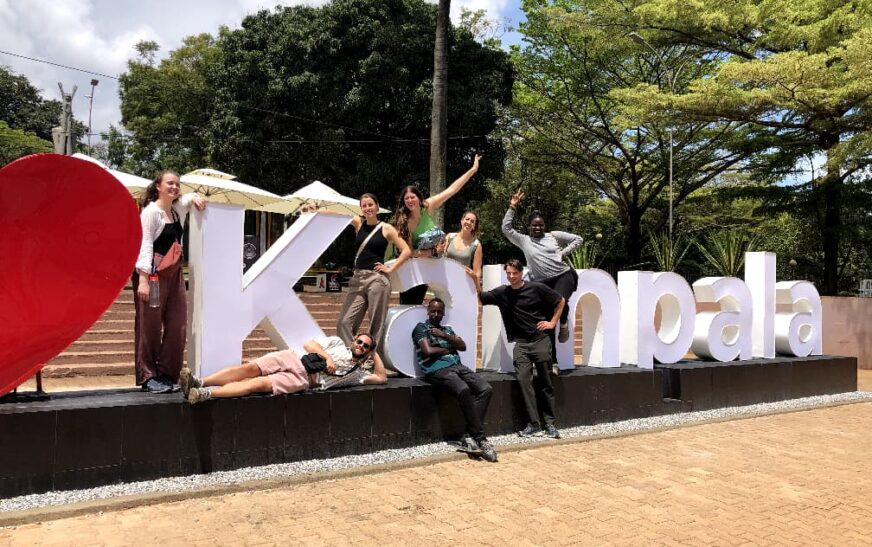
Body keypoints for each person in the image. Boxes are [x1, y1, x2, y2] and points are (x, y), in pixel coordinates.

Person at [134, 170, 206, 393]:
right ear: (158, 186)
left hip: (174, 275)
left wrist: (193, 197)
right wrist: (143, 279)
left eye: (177, 184)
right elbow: (144, 245)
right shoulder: (150, 213)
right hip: (152, 275)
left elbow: (186, 200)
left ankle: (167, 373)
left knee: (178, 324)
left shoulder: (175, 211)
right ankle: (148, 376)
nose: (174, 187)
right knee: (150, 327)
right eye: (169, 183)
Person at [479, 259, 565, 438]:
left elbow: (560, 300)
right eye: (508, 273)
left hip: (540, 340)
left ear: (521, 272)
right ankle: (534, 424)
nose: (511, 277)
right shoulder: (503, 292)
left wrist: (553, 322)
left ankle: (550, 424)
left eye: (514, 273)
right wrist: (475, 278)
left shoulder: (536, 288)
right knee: (524, 383)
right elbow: (482, 297)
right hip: (521, 344)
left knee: (546, 383)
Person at [180, 333, 387, 403]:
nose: (360, 346)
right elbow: (309, 345)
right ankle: (200, 381)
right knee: (250, 368)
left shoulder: (358, 374)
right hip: (294, 358)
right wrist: (327, 358)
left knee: (257, 384)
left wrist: (375, 353)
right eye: (359, 341)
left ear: (368, 351)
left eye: (365, 346)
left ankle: (206, 394)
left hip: (305, 381)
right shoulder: (336, 343)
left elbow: (381, 378)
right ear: (353, 341)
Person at [413, 298, 497, 462]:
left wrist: (444, 335)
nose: (436, 314)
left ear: (444, 313)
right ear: (428, 311)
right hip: (437, 369)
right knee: (463, 389)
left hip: (458, 366)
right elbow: (428, 351)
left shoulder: (447, 330)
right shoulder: (421, 328)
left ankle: (469, 435)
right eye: (433, 311)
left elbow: (463, 346)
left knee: (486, 389)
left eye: (439, 312)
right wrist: (450, 347)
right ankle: (480, 439)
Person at [393, 154, 482, 304]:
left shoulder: (428, 206)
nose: (409, 200)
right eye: (406, 198)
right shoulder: (404, 222)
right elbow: (409, 253)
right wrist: (433, 251)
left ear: (419, 198)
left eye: (412, 197)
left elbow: (452, 189)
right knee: (409, 304)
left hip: (431, 264)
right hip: (414, 268)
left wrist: (473, 169)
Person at [502, 190, 582, 344]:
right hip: (541, 282)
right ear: (530, 227)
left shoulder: (553, 236)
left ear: (544, 225)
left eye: (541, 225)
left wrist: (563, 253)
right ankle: (551, 360)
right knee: (546, 315)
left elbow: (578, 239)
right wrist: (512, 207)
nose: (538, 228)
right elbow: (506, 229)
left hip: (563, 275)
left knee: (560, 300)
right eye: (534, 225)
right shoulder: (524, 240)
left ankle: (563, 324)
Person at [336, 193, 411, 348]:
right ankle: (354, 354)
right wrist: (315, 210)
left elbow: (406, 250)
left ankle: (370, 359)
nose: (368, 208)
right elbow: (338, 214)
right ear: (361, 208)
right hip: (358, 278)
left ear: (377, 207)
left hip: (377, 279)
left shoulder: (386, 228)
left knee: (375, 324)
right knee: (344, 322)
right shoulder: (358, 223)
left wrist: (390, 268)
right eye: (364, 205)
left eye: (370, 205)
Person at [437, 210, 483, 288]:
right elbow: (440, 257)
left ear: (474, 226)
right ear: (462, 221)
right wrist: (438, 250)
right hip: (445, 280)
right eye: (467, 219)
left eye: (472, 221)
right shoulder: (450, 237)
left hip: (463, 283)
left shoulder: (476, 245)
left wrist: (477, 291)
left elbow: (477, 272)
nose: (469, 222)